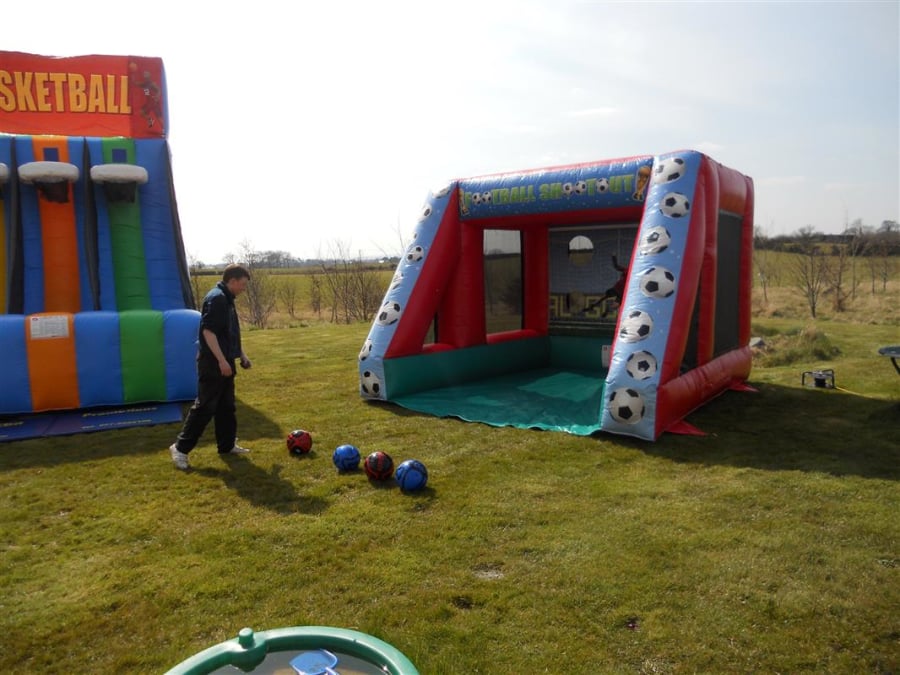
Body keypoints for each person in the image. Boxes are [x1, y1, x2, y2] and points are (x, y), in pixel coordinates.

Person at [170, 264, 253, 470]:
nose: (243, 289)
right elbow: (208, 332)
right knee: (205, 407)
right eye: (242, 284)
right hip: (212, 363)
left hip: (225, 361)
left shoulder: (227, 299)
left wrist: (241, 354)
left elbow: (229, 333)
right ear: (232, 281)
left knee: (226, 406)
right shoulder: (217, 299)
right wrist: (221, 361)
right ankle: (180, 448)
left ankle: (226, 445)